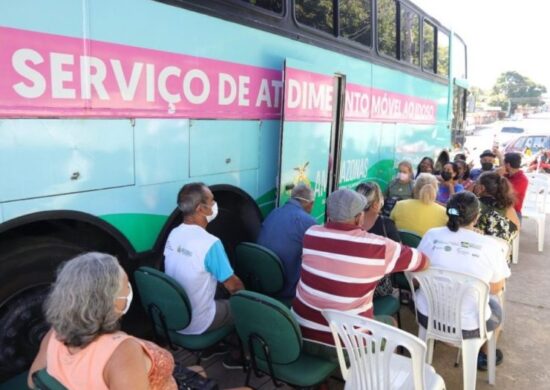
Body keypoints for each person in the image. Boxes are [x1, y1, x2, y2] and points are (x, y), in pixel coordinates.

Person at [292, 189, 430, 360]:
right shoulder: (378, 247)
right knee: (391, 325)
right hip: (345, 344)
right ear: (359, 218)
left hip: (299, 334)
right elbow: (423, 262)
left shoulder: (311, 233)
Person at [28, 252, 178, 389]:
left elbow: (33, 381)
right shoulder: (123, 353)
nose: (129, 289)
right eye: (126, 285)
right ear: (109, 302)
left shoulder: (54, 334)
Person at [414, 192, 510, 370]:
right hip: (468, 325)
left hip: (428, 315)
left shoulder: (431, 235)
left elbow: (417, 273)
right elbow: (497, 287)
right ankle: (486, 354)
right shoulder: (490, 246)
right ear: (476, 217)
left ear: (448, 213)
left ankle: (435, 340)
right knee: (496, 302)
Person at [164, 182, 244, 368]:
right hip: (199, 321)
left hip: (176, 315)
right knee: (240, 306)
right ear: (201, 209)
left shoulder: (173, 234)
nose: (215, 204)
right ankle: (236, 357)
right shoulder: (210, 243)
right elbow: (233, 286)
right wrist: (245, 295)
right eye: (212, 201)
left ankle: (211, 347)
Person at [256, 184, 317, 299]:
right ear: (310, 204)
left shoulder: (274, 212)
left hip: (262, 281)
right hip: (286, 290)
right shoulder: (308, 221)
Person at [356, 181, 401, 297]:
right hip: (375, 287)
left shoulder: (348, 221)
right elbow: (398, 255)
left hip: (350, 282)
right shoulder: (386, 224)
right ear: (376, 204)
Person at [474, 172, 519, 243]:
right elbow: (516, 230)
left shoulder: (474, 204)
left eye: (476, 183)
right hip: (502, 250)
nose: (474, 185)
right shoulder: (508, 207)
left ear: (482, 188)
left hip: (477, 247)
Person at [501, 152, 529, 222]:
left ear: (508, 165)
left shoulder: (522, 179)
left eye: (504, 164)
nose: (502, 166)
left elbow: (505, 194)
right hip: (501, 208)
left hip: (514, 212)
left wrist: (499, 176)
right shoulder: (507, 175)